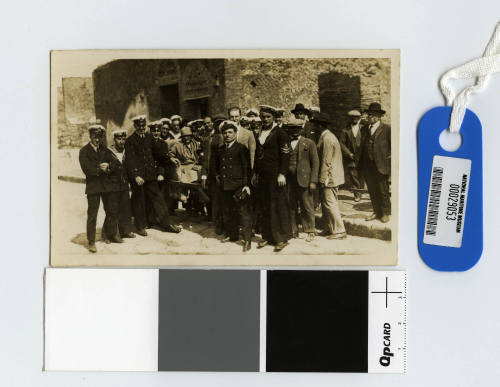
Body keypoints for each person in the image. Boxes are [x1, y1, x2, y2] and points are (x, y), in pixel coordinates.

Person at [124, 115, 181, 236]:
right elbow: (130, 160)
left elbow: (158, 153)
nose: (141, 128)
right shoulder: (130, 141)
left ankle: (167, 224)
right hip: (138, 176)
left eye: (143, 126)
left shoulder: (149, 137)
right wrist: (135, 176)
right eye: (138, 126)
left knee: (158, 199)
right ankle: (139, 226)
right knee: (138, 201)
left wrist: (170, 158)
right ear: (134, 126)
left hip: (150, 175)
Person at [254, 105, 292, 252]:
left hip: (276, 176)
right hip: (263, 176)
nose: (265, 119)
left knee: (278, 205)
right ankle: (268, 236)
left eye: (268, 117)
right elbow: (258, 155)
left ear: (274, 118)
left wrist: (282, 173)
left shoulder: (280, 133)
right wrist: (256, 173)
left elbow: (286, 154)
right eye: (263, 117)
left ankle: (282, 238)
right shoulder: (260, 132)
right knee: (265, 205)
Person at [78, 124, 118, 253]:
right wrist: (99, 168)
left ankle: (106, 234)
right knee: (92, 215)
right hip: (93, 187)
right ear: (90, 136)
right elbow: (86, 169)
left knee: (111, 210)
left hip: (106, 186)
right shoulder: (84, 151)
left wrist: (109, 166)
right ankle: (91, 241)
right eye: (95, 137)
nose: (97, 140)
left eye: (99, 137)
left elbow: (115, 163)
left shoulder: (104, 149)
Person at [215, 121, 253, 252]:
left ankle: (247, 240)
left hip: (239, 185)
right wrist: (218, 177)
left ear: (235, 133)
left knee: (243, 213)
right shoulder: (220, 149)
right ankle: (232, 235)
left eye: (230, 132)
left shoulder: (241, 148)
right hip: (225, 185)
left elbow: (247, 168)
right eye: (225, 133)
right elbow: (218, 166)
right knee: (228, 211)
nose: (227, 135)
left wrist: (247, 185)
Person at [314, 113, 347, 240]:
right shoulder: (328, 136)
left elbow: (326, 161)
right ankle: (330, 228)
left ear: (320, 125)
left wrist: (322, 178)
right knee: (326, 203)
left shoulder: (327, 138)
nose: (314, 127)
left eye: (316, 125)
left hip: (330, 176)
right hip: (332, 175)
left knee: (330, 203)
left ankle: (339, 230)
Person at [285, 122, 319, 242]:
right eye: (291, 129)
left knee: (307, 205)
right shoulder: (286, 143)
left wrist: (313, 181)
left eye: (297, 129)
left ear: (301, 129)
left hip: (305, 179)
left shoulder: (309, 143)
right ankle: (293, 230)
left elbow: (315, 163)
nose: (294, 131)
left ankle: (310, 230)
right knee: (291, 205)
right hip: (289, 180)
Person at [360, 103, 391, 223]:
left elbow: (392, 148)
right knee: (372, 190)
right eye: (369, 115)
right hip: (368, 165)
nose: (369, 117)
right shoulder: (365, 129)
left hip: (381, 165)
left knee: (383, 190)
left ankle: (385, 213)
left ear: (379, 116)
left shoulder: (387, 129)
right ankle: (376, 211)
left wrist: (390, 166)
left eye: (372, 115)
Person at [107, 129, 135, 240]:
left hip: (124, 185)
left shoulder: (126, 151)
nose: (121, 141)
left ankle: (125, 231)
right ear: (114, 139)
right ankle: (113, 234)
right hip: (113, 186)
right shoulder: (108, 151)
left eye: (123, 139)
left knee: (125, 208)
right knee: (113, 210)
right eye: (119, 139)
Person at [339, 110, 364, 202]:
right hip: (351, 157)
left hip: (362, 156)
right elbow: (341, 143)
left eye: (356, 117)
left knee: (361, 175)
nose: (354, 119)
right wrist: (348, 153)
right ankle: (357, 194)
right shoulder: (345, 130)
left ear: (359, 118)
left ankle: (361, 191)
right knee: (353, 175)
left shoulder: (364, 128)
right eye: (352, 117)